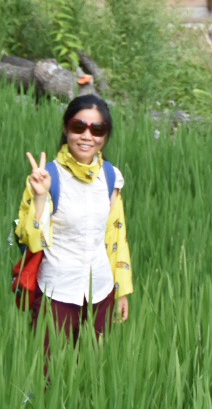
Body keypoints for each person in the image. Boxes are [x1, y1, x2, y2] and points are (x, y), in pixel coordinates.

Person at [15, 94, 133, 348]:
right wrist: (40, 197)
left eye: (97, 129)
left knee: (94, 368)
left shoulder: (110, 177)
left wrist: (121, 291)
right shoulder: (47, 177)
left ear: (105, 136)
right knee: (48, 369)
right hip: (56, 292)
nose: (87, 136)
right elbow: (32, 240)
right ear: (66, 128)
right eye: (79, 127)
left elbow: (116, 237)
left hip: (100, 292)